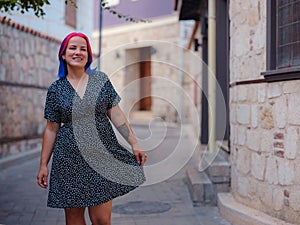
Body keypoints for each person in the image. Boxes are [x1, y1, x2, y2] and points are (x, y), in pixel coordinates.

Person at [37, 32, 146, 225]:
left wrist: (134, 143)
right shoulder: (56, 89)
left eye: (83, 49)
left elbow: (117, 115)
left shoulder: (100, 80)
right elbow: (51, 129)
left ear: (89, 55)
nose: (78, 52)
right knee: (74, 220)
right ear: (63, 54)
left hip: (101, 156)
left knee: (101, 220)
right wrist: (43, 164)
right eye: (72, 48)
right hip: (68, 159)